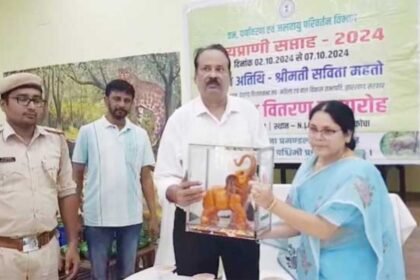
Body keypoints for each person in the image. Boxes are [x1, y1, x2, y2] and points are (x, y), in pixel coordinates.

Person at [252, 100, 405, 280]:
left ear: (348, 135)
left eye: (328, 131)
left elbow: (323, 229)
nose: (318, 136)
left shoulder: (358, 174)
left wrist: (272, 203)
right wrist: (257, 230)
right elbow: (295, 223)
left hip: (350, 269)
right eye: (313, 129)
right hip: (315, 269)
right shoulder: (309, 166)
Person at [154, 44, 269, 279]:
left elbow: (265, 161)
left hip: (240, 218)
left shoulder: (248, 113)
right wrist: (174, 192)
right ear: (196, 76)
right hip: (194, 219)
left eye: (220, 69)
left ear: (229, 76)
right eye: (206, 68)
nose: (213, 74)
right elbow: (163, 174)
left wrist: (258, 180)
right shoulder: (180, 119)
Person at [72, 79, 158, 280]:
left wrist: (153, 214)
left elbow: (146, 178)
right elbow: (76, 178)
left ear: (132, 103)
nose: (121, 104)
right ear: (106, 100)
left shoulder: (140, 135)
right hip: (97, 219)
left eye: (127, 100)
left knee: (127, 274)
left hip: (131, 219)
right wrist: (76, 215)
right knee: (99, 275)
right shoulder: (88, 132)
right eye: (117, 99)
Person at [0, 72, 80, 279]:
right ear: (3, 103)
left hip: (46, 252)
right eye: (22, 99)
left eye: (37, 100)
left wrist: (72, 243)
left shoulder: (55, 141)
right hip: (5, 255)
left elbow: (67, 192)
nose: (31, 106)